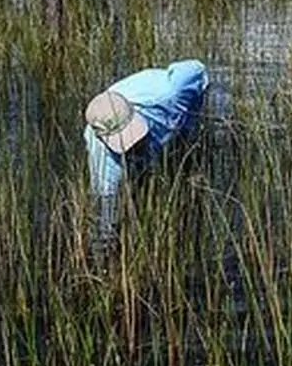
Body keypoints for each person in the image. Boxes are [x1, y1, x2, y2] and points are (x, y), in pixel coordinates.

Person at [83, 59, 210, 247]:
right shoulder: (102, 157)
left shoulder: (171, 93)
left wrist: (190, 119)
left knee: (184, 166)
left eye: (131, 133)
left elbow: (198, 70)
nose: (133, 143)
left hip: (169, 116)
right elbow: (106, 210)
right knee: (126, 190)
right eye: (123, 140)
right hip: (129, 151)